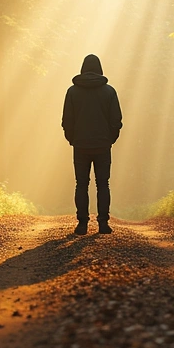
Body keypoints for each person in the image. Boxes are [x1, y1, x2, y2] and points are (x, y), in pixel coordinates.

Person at [61, 54, 122, 235]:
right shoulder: (109, 91)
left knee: (81, 184)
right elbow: (116, 120)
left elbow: (67, 120)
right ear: (100, 68)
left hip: (80, 145)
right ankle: (103, 223)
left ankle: (82, 224)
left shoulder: (72, 91)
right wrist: (110, 139)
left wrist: (73, 139)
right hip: (103, 145)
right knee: (103, 184)